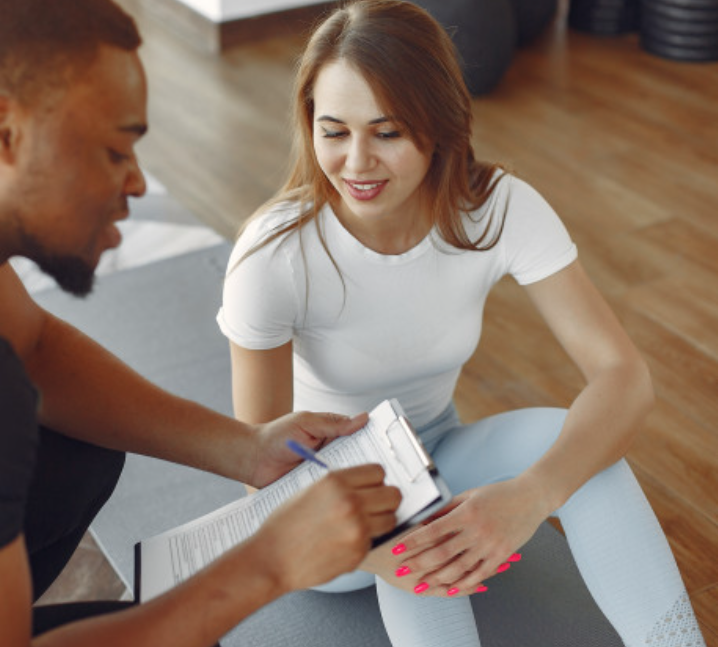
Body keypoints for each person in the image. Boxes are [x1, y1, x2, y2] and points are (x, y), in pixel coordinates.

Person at [0, 1, 405, 645]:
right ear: (0, 132)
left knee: (75, 454)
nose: (138, 182)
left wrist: (244, 446)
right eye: (114, 151)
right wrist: (269, 564)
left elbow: (30, 345)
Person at [217, 1, 706, 646]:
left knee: (586, 453)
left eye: (387, 132)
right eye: (334, 131)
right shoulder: (273, 255)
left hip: (440, 449)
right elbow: (264, 484)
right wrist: (378, 550)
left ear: (438, 125)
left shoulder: (495, 209)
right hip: (322, 501)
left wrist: (535, 495)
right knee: (414, 523)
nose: (356, 163)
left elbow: (624, 377)